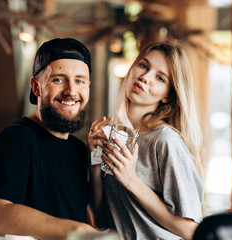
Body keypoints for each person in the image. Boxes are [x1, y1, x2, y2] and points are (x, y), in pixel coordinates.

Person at [87, 41, 204, 240]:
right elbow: (101, 222)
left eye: (160, 78)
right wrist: (95, 159)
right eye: (143, 65)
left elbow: (192, 231)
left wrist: (131, 180)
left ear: (168, 95)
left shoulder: (165, 140)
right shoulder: (116, 137)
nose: (145, 77)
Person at [0, 38, 97, 239]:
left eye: (80, 80)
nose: (71, 91)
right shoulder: (16, 139)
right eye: (59, 79)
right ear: (36, 87)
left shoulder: (79, 150)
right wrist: (76, 231)